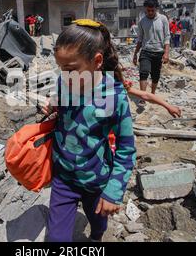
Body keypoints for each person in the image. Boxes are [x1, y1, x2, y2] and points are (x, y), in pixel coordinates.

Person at [42, 19, 137, 242]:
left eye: (71, 69)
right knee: (57, 239)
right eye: (61, 69)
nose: (64, 76)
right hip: (64, 178)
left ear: (96, 61)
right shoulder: (64, 83)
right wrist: (53, 104)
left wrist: (113, 192)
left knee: (98, 223)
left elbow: (126, 150)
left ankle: (96, 237)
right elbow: (63, 106)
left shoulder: (114, 96)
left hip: (97, 180)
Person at [133, 0, 171, 94]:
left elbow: (167, 36)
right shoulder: (142, 22)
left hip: (158, 52)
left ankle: (152, 93)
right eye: (148, 11)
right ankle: (143, 96)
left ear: (156, 9)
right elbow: (140, 39)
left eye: (152, 10)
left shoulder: (163, 19)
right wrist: (135, 54)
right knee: (143, 73)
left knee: (155, 75)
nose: (150, 13)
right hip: (146, 51)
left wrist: (166, 53)